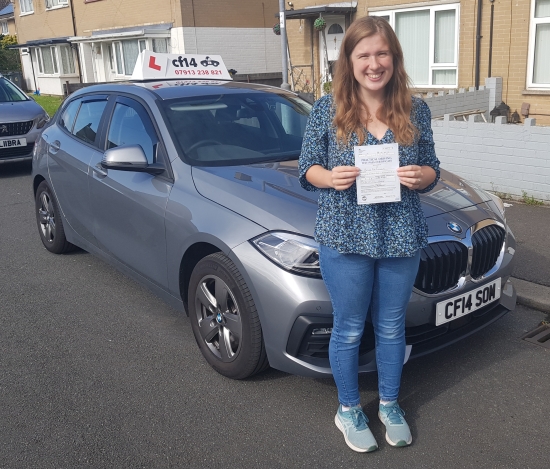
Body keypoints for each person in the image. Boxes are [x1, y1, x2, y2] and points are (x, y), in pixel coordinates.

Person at [298, 16, 440, 453]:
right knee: (349, 328)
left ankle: (390, 404)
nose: (374, 64)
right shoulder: (328, 107)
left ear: (394, 59)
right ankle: (347, 409)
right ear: (350, 60)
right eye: (364, 55)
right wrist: (330, 178)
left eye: (382, 54)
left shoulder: (416, 110)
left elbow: (433, 167)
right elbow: (307, 169)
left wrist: (423, 175)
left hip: (400, 234)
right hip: (345, 234)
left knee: (393, 327)